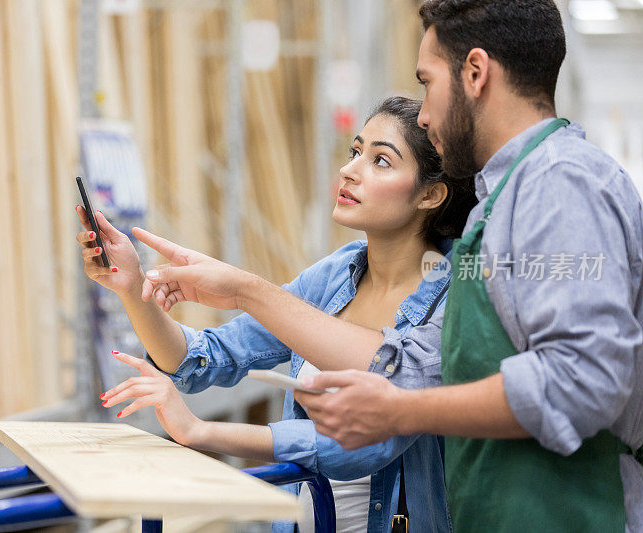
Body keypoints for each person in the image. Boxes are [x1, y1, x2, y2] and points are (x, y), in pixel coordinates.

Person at [286, 1, 643, 532]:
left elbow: (581, 378)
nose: (424, 114)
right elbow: (429, 364)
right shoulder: (499, 203)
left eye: (427, 83)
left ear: (476, 73)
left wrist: (402, 413)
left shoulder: (561, 184)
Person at [76, 96, 476, 532]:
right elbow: (199, 359)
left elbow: (360, 442)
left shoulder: (456, 299)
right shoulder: (333, 276)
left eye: (381, 161)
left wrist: (200, 429)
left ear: (431, 194)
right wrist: (133, 289)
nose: (350, 169)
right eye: (356, 151)